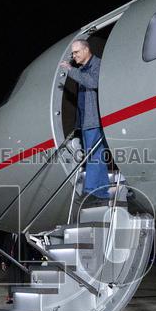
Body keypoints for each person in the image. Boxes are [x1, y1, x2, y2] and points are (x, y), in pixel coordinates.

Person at [59, 39, 110, 201]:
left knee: (94, 155)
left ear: (86, 50)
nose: (74, 56)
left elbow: (93, 82)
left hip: (95, 119)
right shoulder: (82, 69)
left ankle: (91, 190)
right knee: (95, 155)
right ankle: (101, 191)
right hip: (87, 121)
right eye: (72, 53)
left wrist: (71, 70)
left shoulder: (97, 65)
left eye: (76, 52)